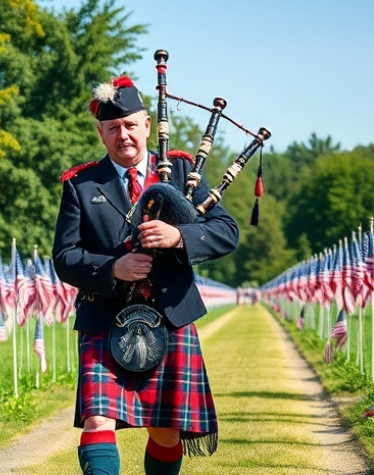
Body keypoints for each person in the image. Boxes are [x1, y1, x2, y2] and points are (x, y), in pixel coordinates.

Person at [52, 75, 239, 475]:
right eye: (113, 128)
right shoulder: (81, 185)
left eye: (131, 125)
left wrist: (178, 236)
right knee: (98, 419)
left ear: (147, 125)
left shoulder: (182, 171)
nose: (124, 135)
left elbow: (226, 231)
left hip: (168, 317)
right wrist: (111, 268)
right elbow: (65, 257)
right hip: (104, 316)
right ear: (101, 133)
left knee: (166, 429)